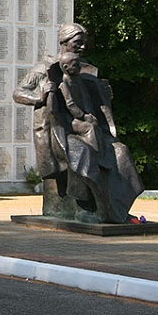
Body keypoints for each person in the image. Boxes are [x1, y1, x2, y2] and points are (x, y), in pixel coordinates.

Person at [13, 23, 144, 223]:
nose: (82, 48)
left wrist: (106, 96)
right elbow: (19, 93)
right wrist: (40, 96)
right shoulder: (44, 68)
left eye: (84, 44)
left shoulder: (86, 69)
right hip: (57, 130)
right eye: (78, 43)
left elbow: (93, 102)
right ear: (63, 42)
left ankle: (114, 210)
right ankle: (85, 209)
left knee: (120, 152)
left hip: (87, 127)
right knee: (80, 153)